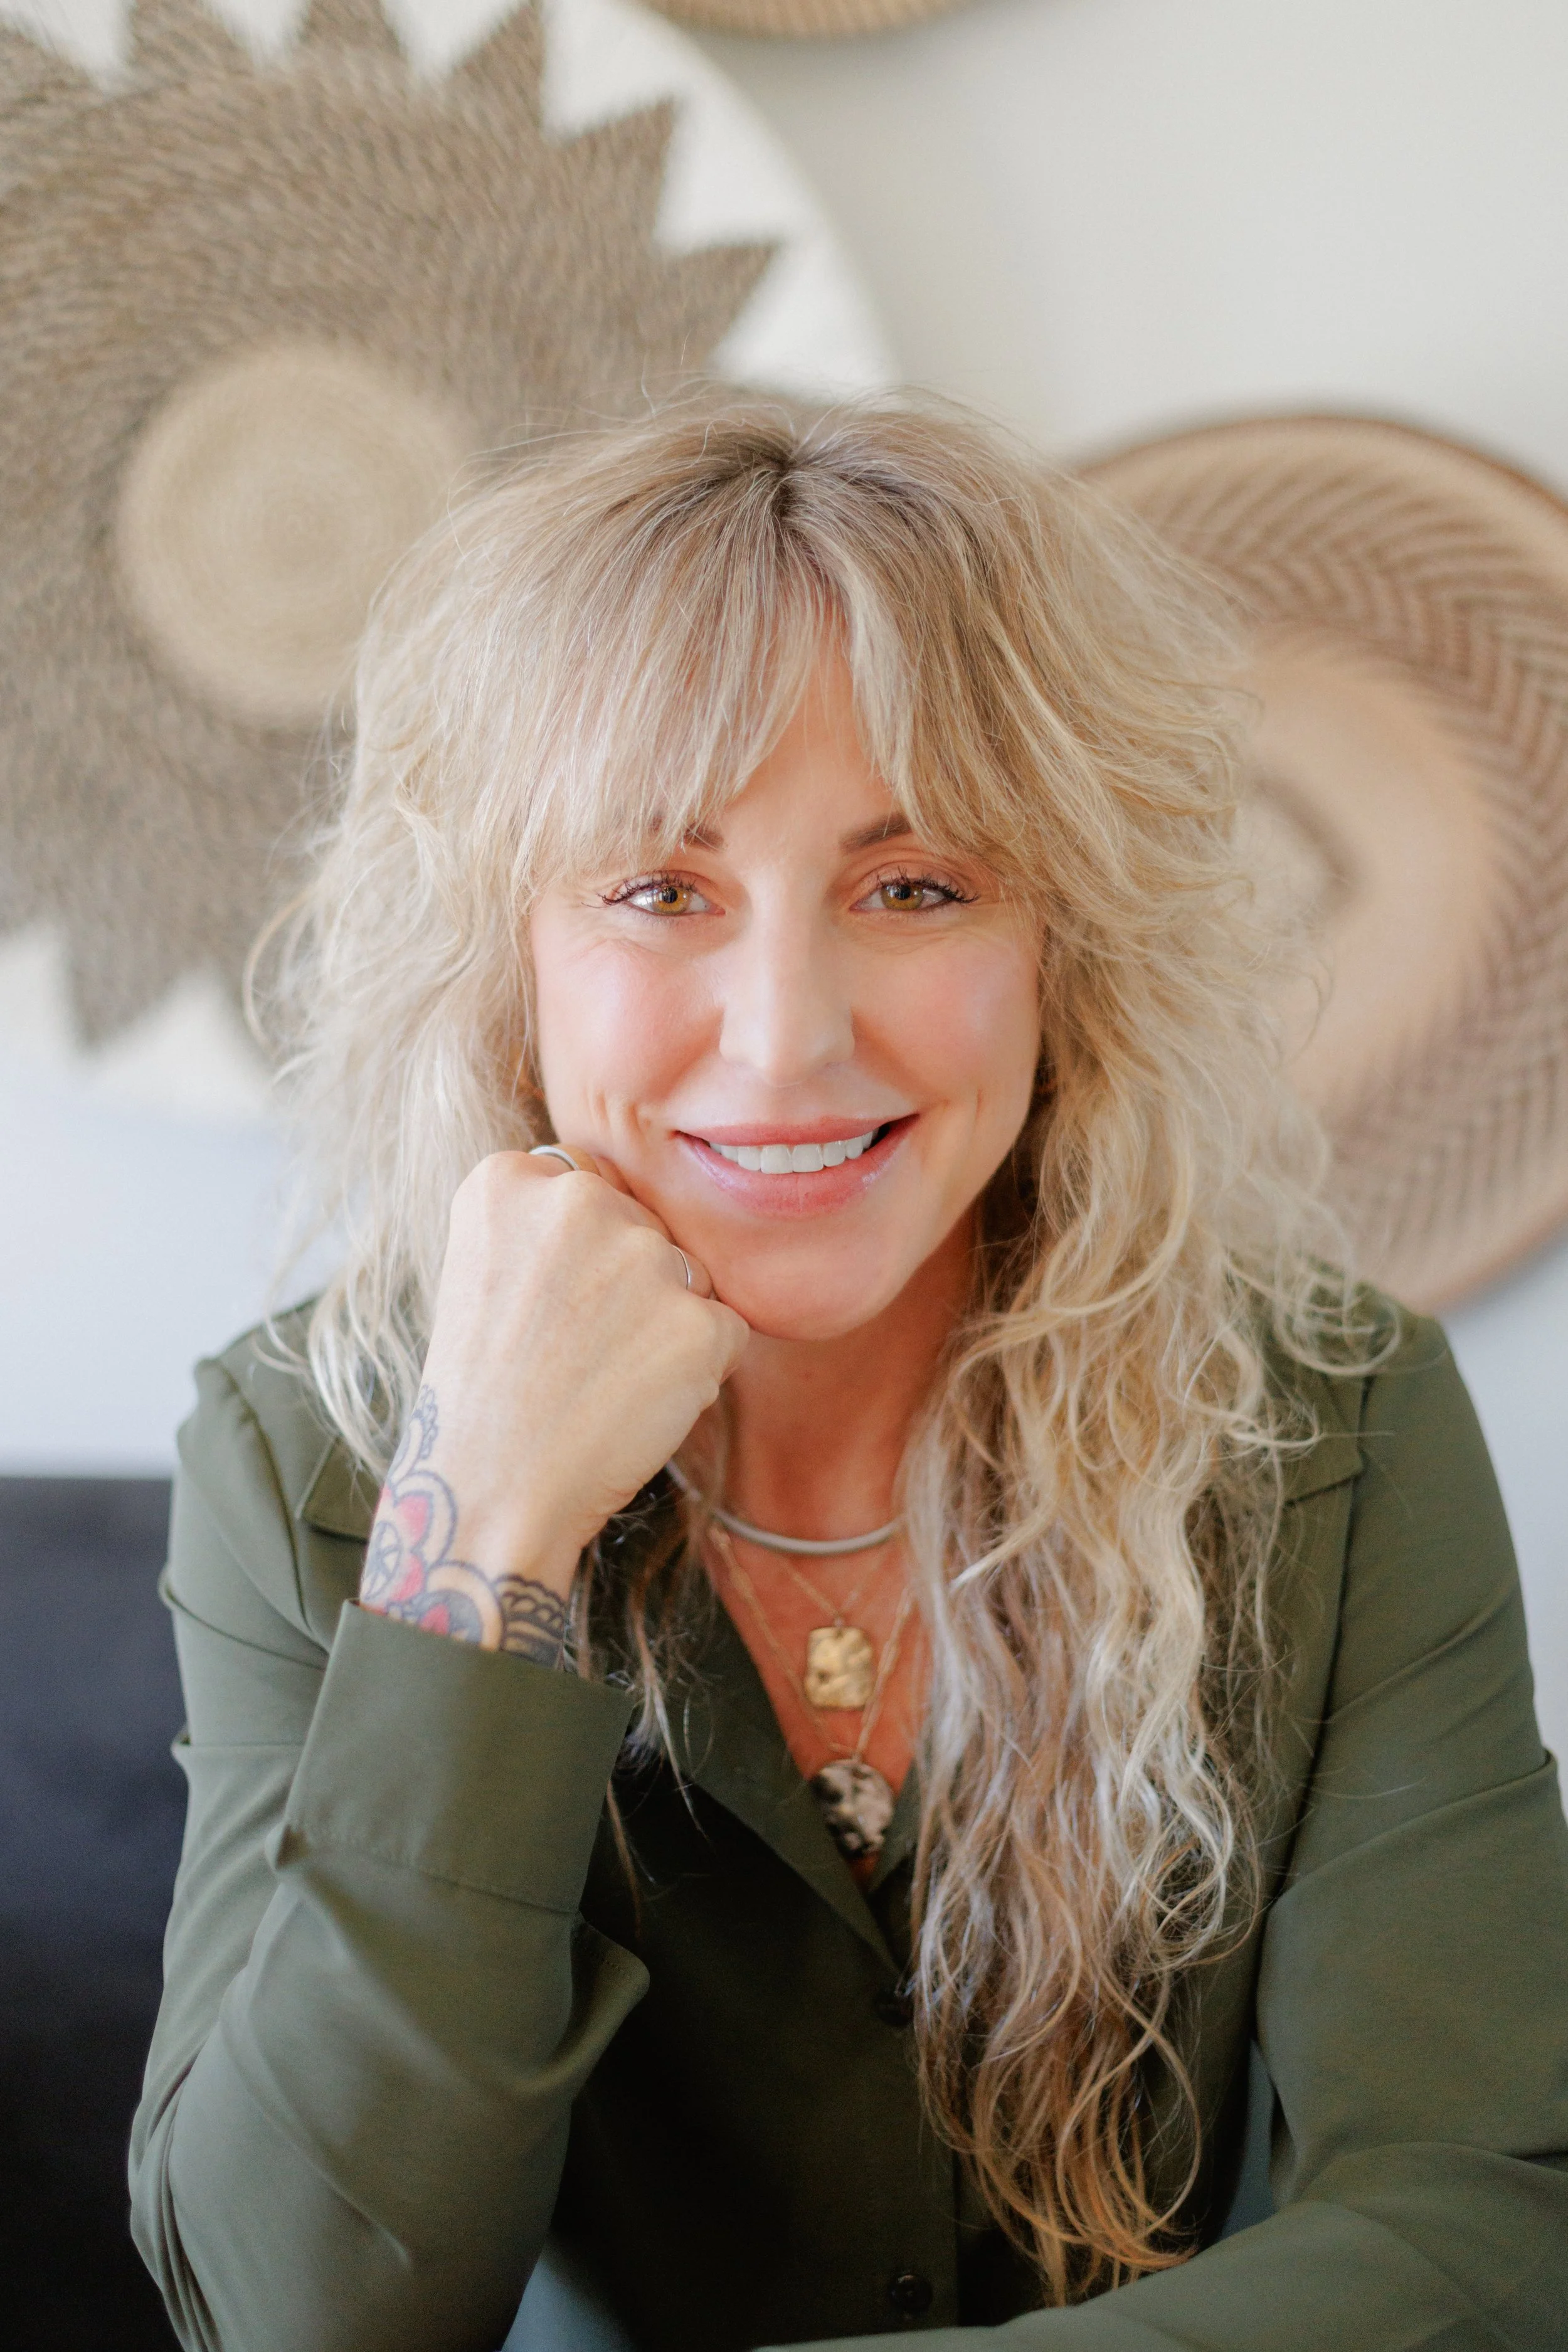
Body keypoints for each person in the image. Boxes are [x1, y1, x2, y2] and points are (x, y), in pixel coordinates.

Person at [130, 398, 1568, 2352]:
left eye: (915, 886)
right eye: (660, 888)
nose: (786, 1035)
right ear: (509, 958)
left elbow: (1476, 2222)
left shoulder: (1328, 1414)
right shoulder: (317, 1445)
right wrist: (495, 1523)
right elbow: (298, 2309)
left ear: (1067, 937)